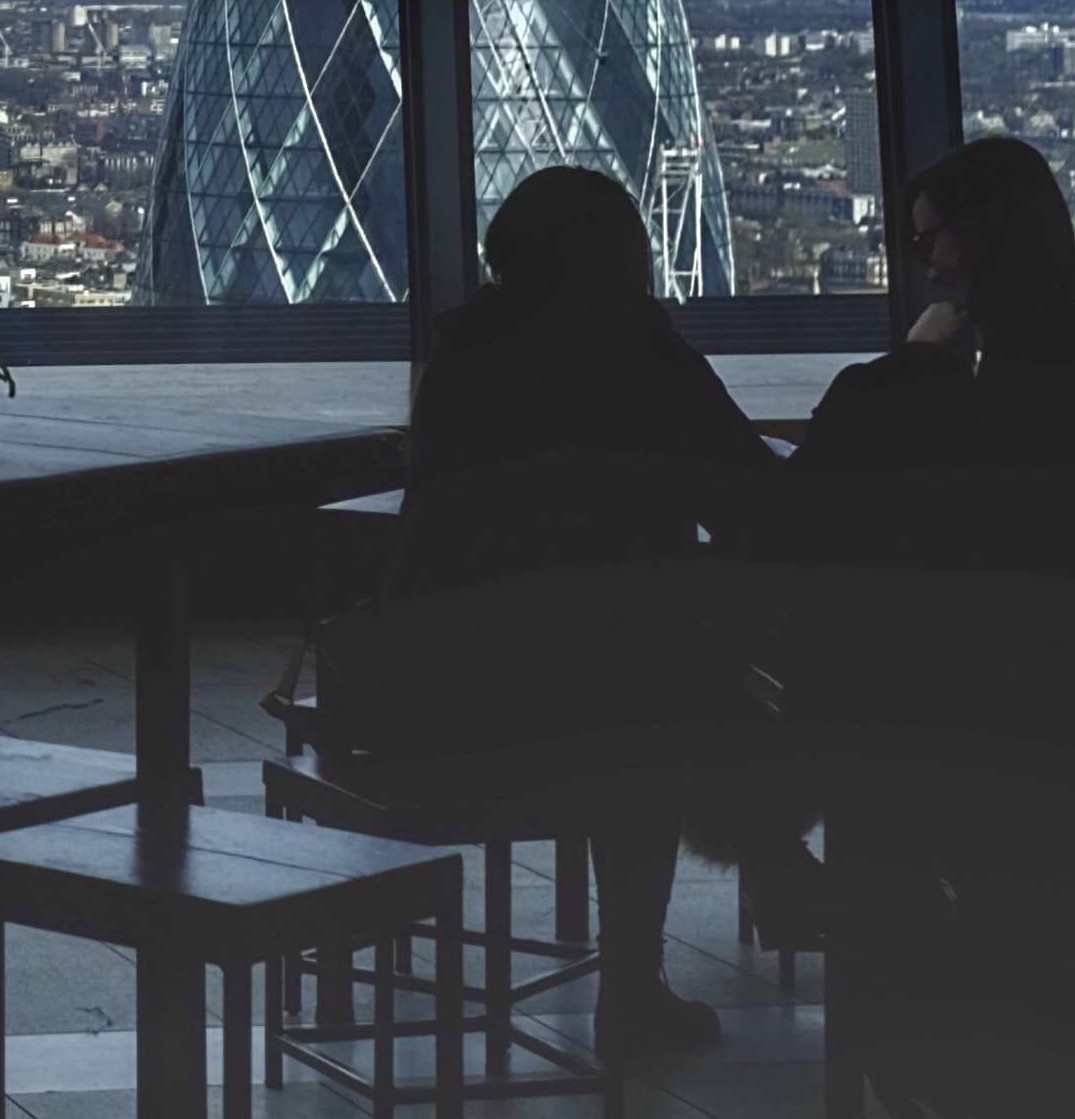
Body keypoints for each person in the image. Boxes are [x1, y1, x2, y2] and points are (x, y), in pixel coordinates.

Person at [764, 133, 1075, 1118]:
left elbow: (875, 488)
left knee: (892, 764)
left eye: (932, 241)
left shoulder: (1019, 359)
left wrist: (913, 363)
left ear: (980, 236)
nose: (926, 266)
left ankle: (912, 1041)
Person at [322, 165, 773, 1065]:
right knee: (659, 670)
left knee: (636, 653)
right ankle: (646, 976)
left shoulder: (460, 354)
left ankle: (775, 863)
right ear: (622, 260)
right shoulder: (641, 357)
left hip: (427, 704)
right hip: (592, 724)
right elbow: (757, 506)